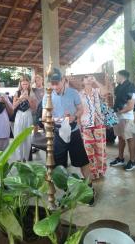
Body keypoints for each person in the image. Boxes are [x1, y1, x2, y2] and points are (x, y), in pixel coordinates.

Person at [42, 68, 95, 205]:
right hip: (58, 133)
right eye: (52, 84)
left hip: (73, 131)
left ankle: (89, 190)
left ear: (63, 80)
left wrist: (74, 116)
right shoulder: (47, 96)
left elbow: (80, 109)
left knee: (83, 162)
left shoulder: (73, 93)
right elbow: (43, 117)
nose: (54, 87)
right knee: (59, 166)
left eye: (57, 83)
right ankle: (67, 192)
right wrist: (52, 118)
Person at [79, 75, 107, 180]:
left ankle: (100, 170)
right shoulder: (79, 94)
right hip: (86, 125)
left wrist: (96, 81)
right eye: (86, 77)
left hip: (99, 124)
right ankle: (92, 172)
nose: (88, 79)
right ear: (82, 81)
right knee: (88, 150)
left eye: (89, 77)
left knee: (100, 149)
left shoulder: (96, 91)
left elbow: (105, 92)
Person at [110, 70, 135, 171]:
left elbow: (131, 105)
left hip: (127, 117)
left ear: (122, 76)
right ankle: (120, 158)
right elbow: (116, 98)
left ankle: (133, 161)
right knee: (120, 138)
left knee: (129, 138)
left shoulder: (131, 86)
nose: (115, 77)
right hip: (119, 116)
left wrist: (121, 111)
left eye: (116, 76)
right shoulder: (119, 87)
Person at [13, 76, 36, 161]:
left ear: (29, 84)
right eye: (23, 84)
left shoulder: (31, 93)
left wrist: (28, 98)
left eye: (26, 84)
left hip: (28, 114)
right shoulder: (17, 93)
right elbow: (13, 107)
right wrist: (20, 98)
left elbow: (34, 107)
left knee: (27, 137)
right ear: (20, 84)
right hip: (19, 115)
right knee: (18, 136)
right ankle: (19, 158)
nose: (25, 86)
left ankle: (26, 158)